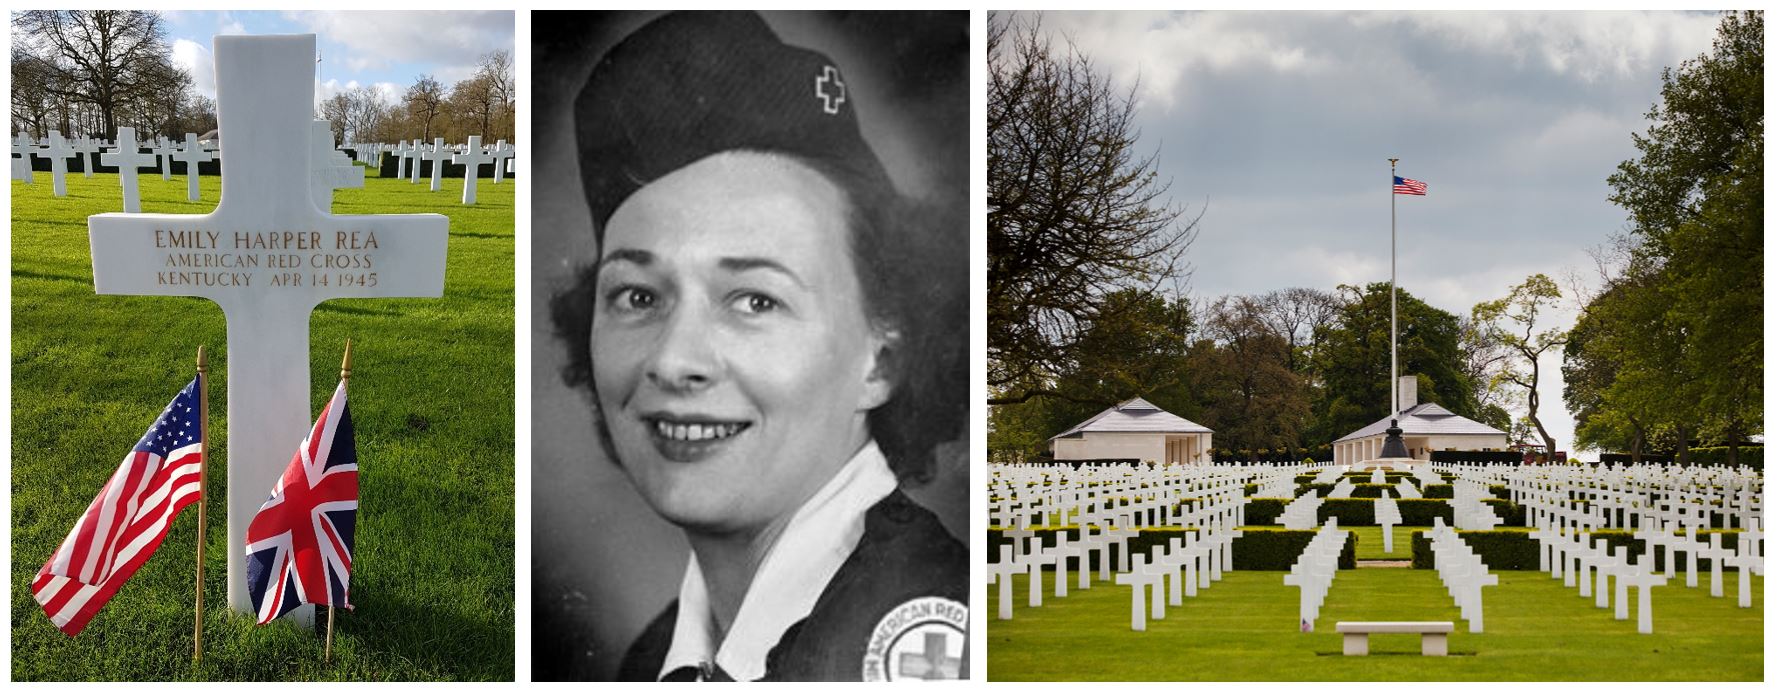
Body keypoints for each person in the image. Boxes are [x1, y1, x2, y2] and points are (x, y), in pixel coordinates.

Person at [548, 11, 968, 682]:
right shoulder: (654, 661)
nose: (673, 360)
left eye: (754, 301)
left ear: (880, 359)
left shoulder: (936, 645)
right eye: (636, 296)